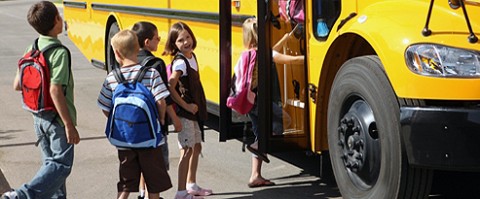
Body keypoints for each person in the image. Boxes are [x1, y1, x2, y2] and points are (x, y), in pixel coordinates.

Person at [3, 1, 81, 199]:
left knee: (51, 170)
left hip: (38, 117)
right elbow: (56, 90)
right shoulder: (59, 52)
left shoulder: (33, 47)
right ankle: (20, 195)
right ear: (57, 19)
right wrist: (69, 125)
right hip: (56, 119)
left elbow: (17, 84)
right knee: (61, 166)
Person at [97, 29, 172, 199]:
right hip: (150, 140)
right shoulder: (151, 73)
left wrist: (120, 122)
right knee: (153, 182)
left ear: (116, 53)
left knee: (126, 181)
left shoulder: (112, 77)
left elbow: (104, 106)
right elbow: (161, 101)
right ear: (138, 48)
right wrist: (159, 119)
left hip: (124, 140)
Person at [237, 17, 304, 188]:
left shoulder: (249, 53)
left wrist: (288, 37)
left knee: (260, 133)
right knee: (285, 121)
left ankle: (255, 175)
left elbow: (274, 50)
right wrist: (306, 59)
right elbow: (281, 58)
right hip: (261, 101)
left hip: (249, 101)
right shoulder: (263, 54)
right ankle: (257, 145)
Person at [132, 21, 182, 199]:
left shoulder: (127, 60)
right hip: (153, 124)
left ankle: (142, 193)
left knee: (141, 161)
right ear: (147, 42)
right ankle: (152, 196)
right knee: (156, 164)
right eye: (157, 38)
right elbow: (164, 98)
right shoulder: (157, 64)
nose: (159, 41)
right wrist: (172, 119)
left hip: (133, 124)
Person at [162, 22, 212, 199]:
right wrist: (186, 106)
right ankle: (181, 192)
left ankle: (191, 184)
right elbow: (170, 86)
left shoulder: (192, 56)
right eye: (180, 40)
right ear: (174, 44)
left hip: (193, 112)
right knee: (187, 150)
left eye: (188, 37)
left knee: (196, 146)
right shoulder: (180, 63)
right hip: (185, 113)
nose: (185, 42)